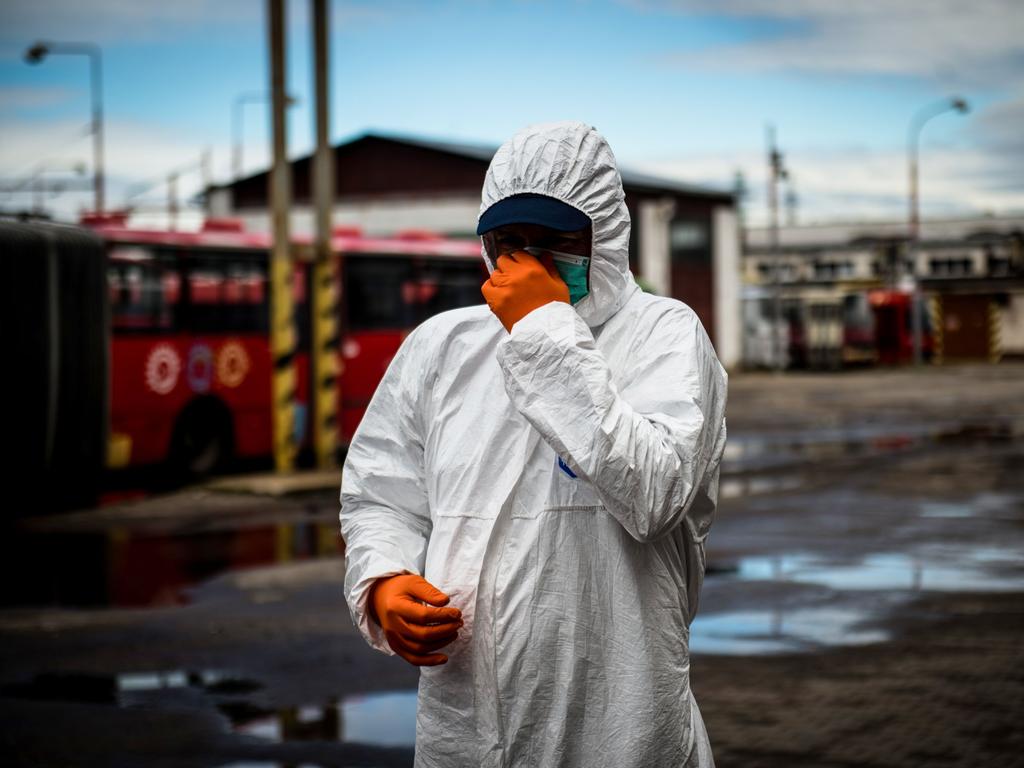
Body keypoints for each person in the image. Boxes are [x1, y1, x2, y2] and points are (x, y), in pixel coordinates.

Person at [340, 121, 727, 768]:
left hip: (621, 728)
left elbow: (655, 493)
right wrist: (384, 581)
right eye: (508, 242)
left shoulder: (664, 336)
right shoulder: (442, 349)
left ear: (604, 236)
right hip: (469, 725)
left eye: (554, 242)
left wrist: (543, 330)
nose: (526, 262)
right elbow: (381, 493)